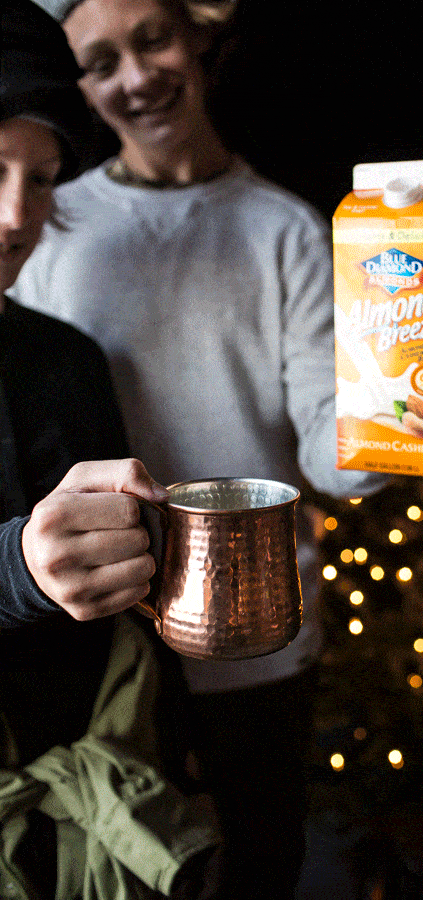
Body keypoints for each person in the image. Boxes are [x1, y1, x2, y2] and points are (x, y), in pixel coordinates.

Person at [10, 0, 392, 896]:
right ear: (80, 88)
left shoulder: (286, 229)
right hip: (108, 650)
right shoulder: (52, 223)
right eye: (100, 63)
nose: (137, 78)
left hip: (260, 642)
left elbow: (338, 465)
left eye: (152, 40)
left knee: (262, 857)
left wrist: (410, 415)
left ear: (201, 39)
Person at [1, 5, 222, 896]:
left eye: (42, 178)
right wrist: (18, 566)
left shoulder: (66, 360)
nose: (16, 215)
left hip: (97, 801)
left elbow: (133, 612)